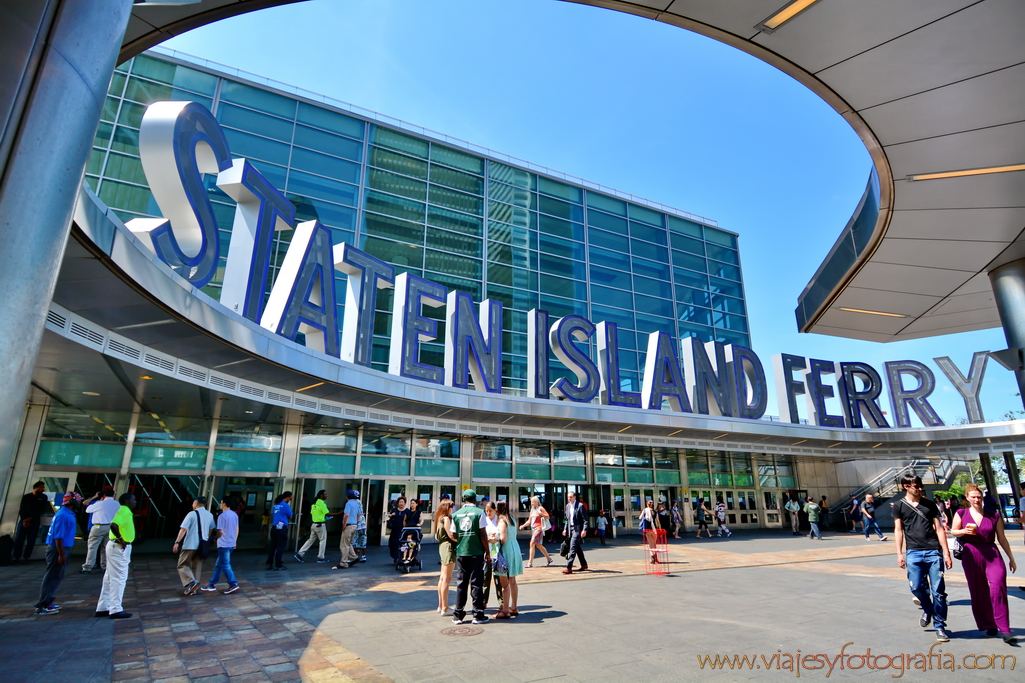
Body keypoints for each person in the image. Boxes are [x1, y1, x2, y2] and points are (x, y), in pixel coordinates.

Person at [951, 484, 1017, 644]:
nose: (976, 500)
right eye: (973, 497)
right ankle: (989, 624)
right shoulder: (961, 513)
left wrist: (1011, 557)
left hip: (992, 553)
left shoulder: (994, 516)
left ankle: (1005, 629)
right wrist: (963, 532)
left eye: (979, 497)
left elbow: (1002, 538)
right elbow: (954, 531)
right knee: (979, 590)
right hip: (971, 553)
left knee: (998, 588)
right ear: (967, 498)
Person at [893, 474, 952, 642]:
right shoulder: (899, 506)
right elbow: (898, 530)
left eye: (920, 486)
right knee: (916, 587)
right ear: (906, 487)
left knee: (939, 592)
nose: (920, 489)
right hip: (913, 552)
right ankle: (928, 609)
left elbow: (939, 529)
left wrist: (946, 553)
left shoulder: (930, 504)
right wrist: (899, 553)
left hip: (933, 551)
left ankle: (940, 627)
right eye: (916, 486)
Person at [34, 492, 81, 615]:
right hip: (57, 549)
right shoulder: (63, 515)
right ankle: (43, 605)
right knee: (52, 577)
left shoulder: (67, 513)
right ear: (72, 501)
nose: (80, 502)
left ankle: (48, 601)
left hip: (61, 548)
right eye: (79, 500)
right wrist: (61, 554)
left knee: (56, 576)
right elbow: (58, 537)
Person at [451, 489, 490, 625]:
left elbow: (454, 535)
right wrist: (488, 552)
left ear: (463, 500)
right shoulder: (480, 513)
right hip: (476, 552)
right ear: (475, 500)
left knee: (461, 583)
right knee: (476, 583)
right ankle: (478, 614)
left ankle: (458, 614)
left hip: (462, 552)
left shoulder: (456, 514)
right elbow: (483, 534)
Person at [96, 493, 136, 619]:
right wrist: (121, 539)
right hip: (119, 548)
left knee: (109, 577)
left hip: (115, 547)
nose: (135, 501)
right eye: (133, 499)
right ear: (126, 501)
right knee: (119, 578)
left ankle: (103, 607)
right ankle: (116, 609)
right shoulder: (124, 511)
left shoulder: (124, 511)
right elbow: (113, 524)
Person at [173, 495, 216, 595]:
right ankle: (194, 590)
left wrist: (177, 542)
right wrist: (206, 538)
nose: (192, 505)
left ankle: (191, 582)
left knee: (182, 565)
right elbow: (211, 529)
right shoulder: (210, 515)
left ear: (196, 504)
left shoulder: (192, 514)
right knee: (197, 567)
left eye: (193, 503)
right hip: (202, 545)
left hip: (190, 544)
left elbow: (183, 529)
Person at [201, 496, 241, 594]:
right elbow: (237, 529)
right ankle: (212, 584)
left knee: (225, 565)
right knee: (219, 565)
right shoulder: (234, 515)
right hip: (231, 543)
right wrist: (234, 541)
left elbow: (220, 531)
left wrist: (215, 538)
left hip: (223, 544)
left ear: (224, 504)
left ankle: (233, 583)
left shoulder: (222, 516)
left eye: (221, 502)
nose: (220, 504)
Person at [494, 501, 524, 619]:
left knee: (504, 582)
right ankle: (514, 607)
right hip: (515, 548)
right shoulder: (511, 518)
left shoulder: (502, 521)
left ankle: (505, 610)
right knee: (513, 580)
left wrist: (493, 539)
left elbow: (503, 539)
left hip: (506, 550)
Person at [81, 486, 120, 573]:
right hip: (111, 527)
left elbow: (88, 510)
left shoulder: (100, 503)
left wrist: (96, 498)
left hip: (98, 526)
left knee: (92, 547)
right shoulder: (117, 504)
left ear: (104, 495)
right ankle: (105, 566)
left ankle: (88, 566)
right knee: (106, 547)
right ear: (113, 495)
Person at [14, 481, 52, 562]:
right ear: (35, 488)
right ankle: (16, 557)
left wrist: (30, 519)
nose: (42, 489)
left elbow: (40, 510)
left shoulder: (43, 497)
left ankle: (26, 557)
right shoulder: (27, 497)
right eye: (41, 487)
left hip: (34, 521)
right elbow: (22, 509)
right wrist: (25, 520)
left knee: (31, 539)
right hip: (23, 521)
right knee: (19, 539)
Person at [295, 489, 331, 564]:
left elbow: (312, 513)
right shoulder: (322, 503)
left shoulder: (314, 504)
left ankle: (300, 553)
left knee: (310, 540)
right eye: (325, 494)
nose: (326, 495)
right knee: (322, 540)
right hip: (320, 525)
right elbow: (327, 513)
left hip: (314, 524)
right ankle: (321, 557)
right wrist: (339, 513)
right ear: (321, 495)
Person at [434, 499, 457, 614]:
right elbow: (451, 535)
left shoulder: (439, 518)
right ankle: (445, 608)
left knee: (442, 578)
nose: (453, 509)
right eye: (452, 507)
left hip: (442, 547)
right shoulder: (447, 519)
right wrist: (461, 540)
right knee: (447, 579)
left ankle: (440, 606)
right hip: (449, 548)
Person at [333, 490, 363, 569]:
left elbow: (346, 515)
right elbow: (359, 513)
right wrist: (355, 521)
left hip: (348, 526)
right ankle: (354, 557)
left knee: (344, 545)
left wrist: (344, 525)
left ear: (347, 496)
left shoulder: (348, 503)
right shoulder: (356, 504)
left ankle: (343, 562)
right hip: (354, 525)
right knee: (349, 543)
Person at [519, 495, 552, 567]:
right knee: (539, 545)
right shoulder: (532, 510)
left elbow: (548, 516)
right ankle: (549, 559)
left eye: (533, 502)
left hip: (539, 529)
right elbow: (529, 521)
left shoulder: (540, 508)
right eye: (531, 502)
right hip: (533, 529)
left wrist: (541, 514)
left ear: (536, 502)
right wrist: (523, 526)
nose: (532, 503)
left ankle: (530, 563)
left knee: (532, 544)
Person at [482, 501, 503, 609]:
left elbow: (503, 535)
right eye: (486, 511)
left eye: (490, 511)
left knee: (498, 578)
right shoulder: (483, 520)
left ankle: (501, 602)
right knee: (485, 578)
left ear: (495, 510)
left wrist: (496, 539)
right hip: (487, 553)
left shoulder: (499, 520)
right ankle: (484, 601)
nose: (488, 513)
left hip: (497, 553)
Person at [562, 490, 589, 574]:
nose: (569, 499)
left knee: (573, 547)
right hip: (570, 529)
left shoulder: (580, 506)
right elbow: (567, 519)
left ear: (574, 497)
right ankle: (584, 564)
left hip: (578, 529)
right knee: (577, 548)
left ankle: (569, 567)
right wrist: (565, 529)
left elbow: (585, 519)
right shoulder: (567, 506)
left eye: (570, 497)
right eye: (568, 497)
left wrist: (584, 530)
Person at [265, 491, 292, 570]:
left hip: (274, 527)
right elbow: (290, 516)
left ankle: (269, 563)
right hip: (282, 527)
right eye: (290, 497)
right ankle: (278, 564)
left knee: (272, 546)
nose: (291, 498)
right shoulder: (286, 506)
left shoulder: (275, 505)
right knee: (280, 547)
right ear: (288, 497)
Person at [387, 496, 411, 564]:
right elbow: (390, 517)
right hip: (395, 530)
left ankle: (401, 557)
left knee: (402, 544)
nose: (401, 503)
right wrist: (391, 515)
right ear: (397, 503)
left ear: (405, 503)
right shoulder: (395, 510)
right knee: (393, 544)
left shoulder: (407, 511)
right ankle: (395, 557)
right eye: (400, 502)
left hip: (403, 530)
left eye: (402, 502)